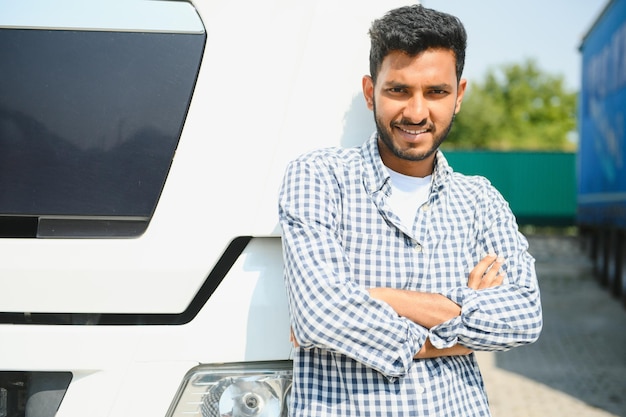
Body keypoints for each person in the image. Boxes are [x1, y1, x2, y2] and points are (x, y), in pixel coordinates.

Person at [278, 4, 542, 416]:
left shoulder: (480, 199)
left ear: (459, 95)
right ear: (370, 92)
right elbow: (319, 314)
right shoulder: (319, 177)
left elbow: (525, 316)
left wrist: (370, 298)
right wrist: (463, 315)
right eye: (398, 90)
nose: (416, 112)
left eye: (436, 92)